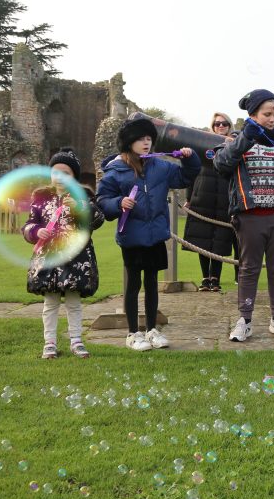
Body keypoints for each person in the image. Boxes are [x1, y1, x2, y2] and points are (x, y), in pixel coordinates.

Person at [97, 117, 200, 352]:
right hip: (132, 238)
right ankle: (133, 333)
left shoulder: (161, 167)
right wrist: (118, 202)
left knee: (152, 283)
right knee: (133, 285)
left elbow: (186, 177)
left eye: (149, 139)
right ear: (129, 142)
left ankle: (152, 330)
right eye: (141, 139)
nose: (146, 143)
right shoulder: (115, 171)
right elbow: (102, 200)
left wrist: (189, 158)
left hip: (155, 236)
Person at [214, 89, 274, 342]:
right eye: (267, 114)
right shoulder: (237, 141)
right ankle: (244, 320)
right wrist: (246, 138)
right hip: (251, 216)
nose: (272, 118)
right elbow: (222, 165)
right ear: (253, 114)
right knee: (249, 269)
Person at [23, 147, 104, 359]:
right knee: (50, 302)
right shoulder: (40, 197)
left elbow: (97, 221)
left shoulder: (84, 196)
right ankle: (49, 342)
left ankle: (76, 341)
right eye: (56, 172)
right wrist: (35, 231)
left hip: (76, 258)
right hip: (48, 257)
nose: (60, 177)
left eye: (66, 173)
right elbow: (30, 223)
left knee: (73, 302)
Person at [182, 112, 238, 292]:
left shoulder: (235, 145)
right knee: (202, 239)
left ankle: (216, 278)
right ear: (212, 126)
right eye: (217, 124)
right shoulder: (201, 143)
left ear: (229, 126)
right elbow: (192, 172)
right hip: (203, 196)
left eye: (224, 124)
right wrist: (189, 198)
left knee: (220, 240)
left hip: (224, 197)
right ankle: (206, 277)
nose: (220, 126)